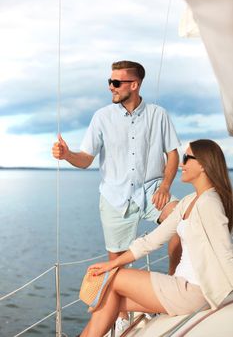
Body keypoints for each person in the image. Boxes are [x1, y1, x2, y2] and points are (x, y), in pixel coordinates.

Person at [52, 60, 180, 334]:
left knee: (182, 221)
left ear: (134, 85)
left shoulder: (159, 114)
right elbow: (85, 159)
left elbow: (173, 154)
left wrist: (166, 186)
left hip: (151, 190)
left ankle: (174, 283)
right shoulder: (101, 117)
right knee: (118, 264)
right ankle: (122, 315)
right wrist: (67, 154)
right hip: (115, 197)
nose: (111, 87)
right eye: (109, 81)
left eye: (116, 82)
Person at [78, 139, 233, 337]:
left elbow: (226, 252)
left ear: (203, 164)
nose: (180, 164)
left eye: (186, 158)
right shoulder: (188, 202)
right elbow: (151, 241)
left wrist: (112, 268)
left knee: (115, 279)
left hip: (194, 291)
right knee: (108, 299)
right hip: (180, 286)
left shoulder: (210, 203)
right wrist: (112, 263)